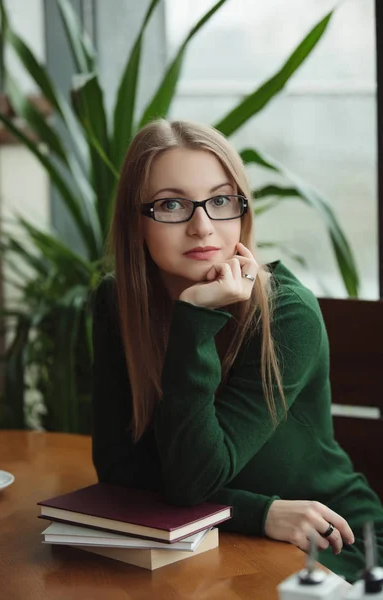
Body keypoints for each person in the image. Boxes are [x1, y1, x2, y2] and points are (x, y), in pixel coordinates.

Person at [91, 119, 383, 582]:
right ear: (135, 220)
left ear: (242, 210)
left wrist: (193, 323)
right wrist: (260, 512)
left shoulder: (286, 315)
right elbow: (119, 470)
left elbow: (191, 480)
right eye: (171, 205)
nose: (202, 227)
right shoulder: (118, 303)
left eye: (220, 201)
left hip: (328, 541)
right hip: (213, 537)